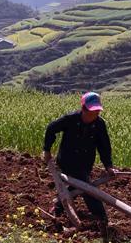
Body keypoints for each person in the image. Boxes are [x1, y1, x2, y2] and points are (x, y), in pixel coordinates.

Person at [43, 91, 115, 234]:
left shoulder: (99, 125)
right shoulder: (70, 119)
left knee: (74, 186)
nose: (95, 114)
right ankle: (101, 218)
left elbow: (104, 146)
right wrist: (47, 150)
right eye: (92, 111)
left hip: (85, 162)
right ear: (84, 109)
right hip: (67, 160)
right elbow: (51, 128)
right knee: (88, 189)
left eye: (97, 111)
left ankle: (58, 206)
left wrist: (108, 166)